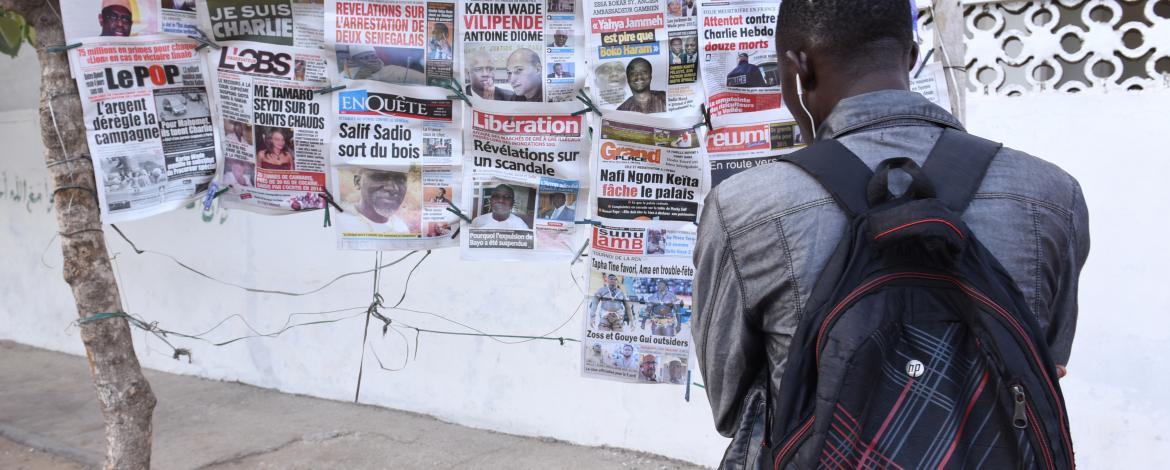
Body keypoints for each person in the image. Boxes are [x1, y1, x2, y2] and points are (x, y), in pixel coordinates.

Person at [693, 0, 1089, 460]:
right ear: (914, 55)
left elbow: (730, 404)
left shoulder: (745, 206)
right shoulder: (1052, 193)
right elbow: (1049, 361)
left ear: (796, 67)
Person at [337, 168, 410, 233]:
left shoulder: (401, 227)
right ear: (358, 182)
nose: (392, 188)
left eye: (401, 180)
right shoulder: (339, 221)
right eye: (380, 178)